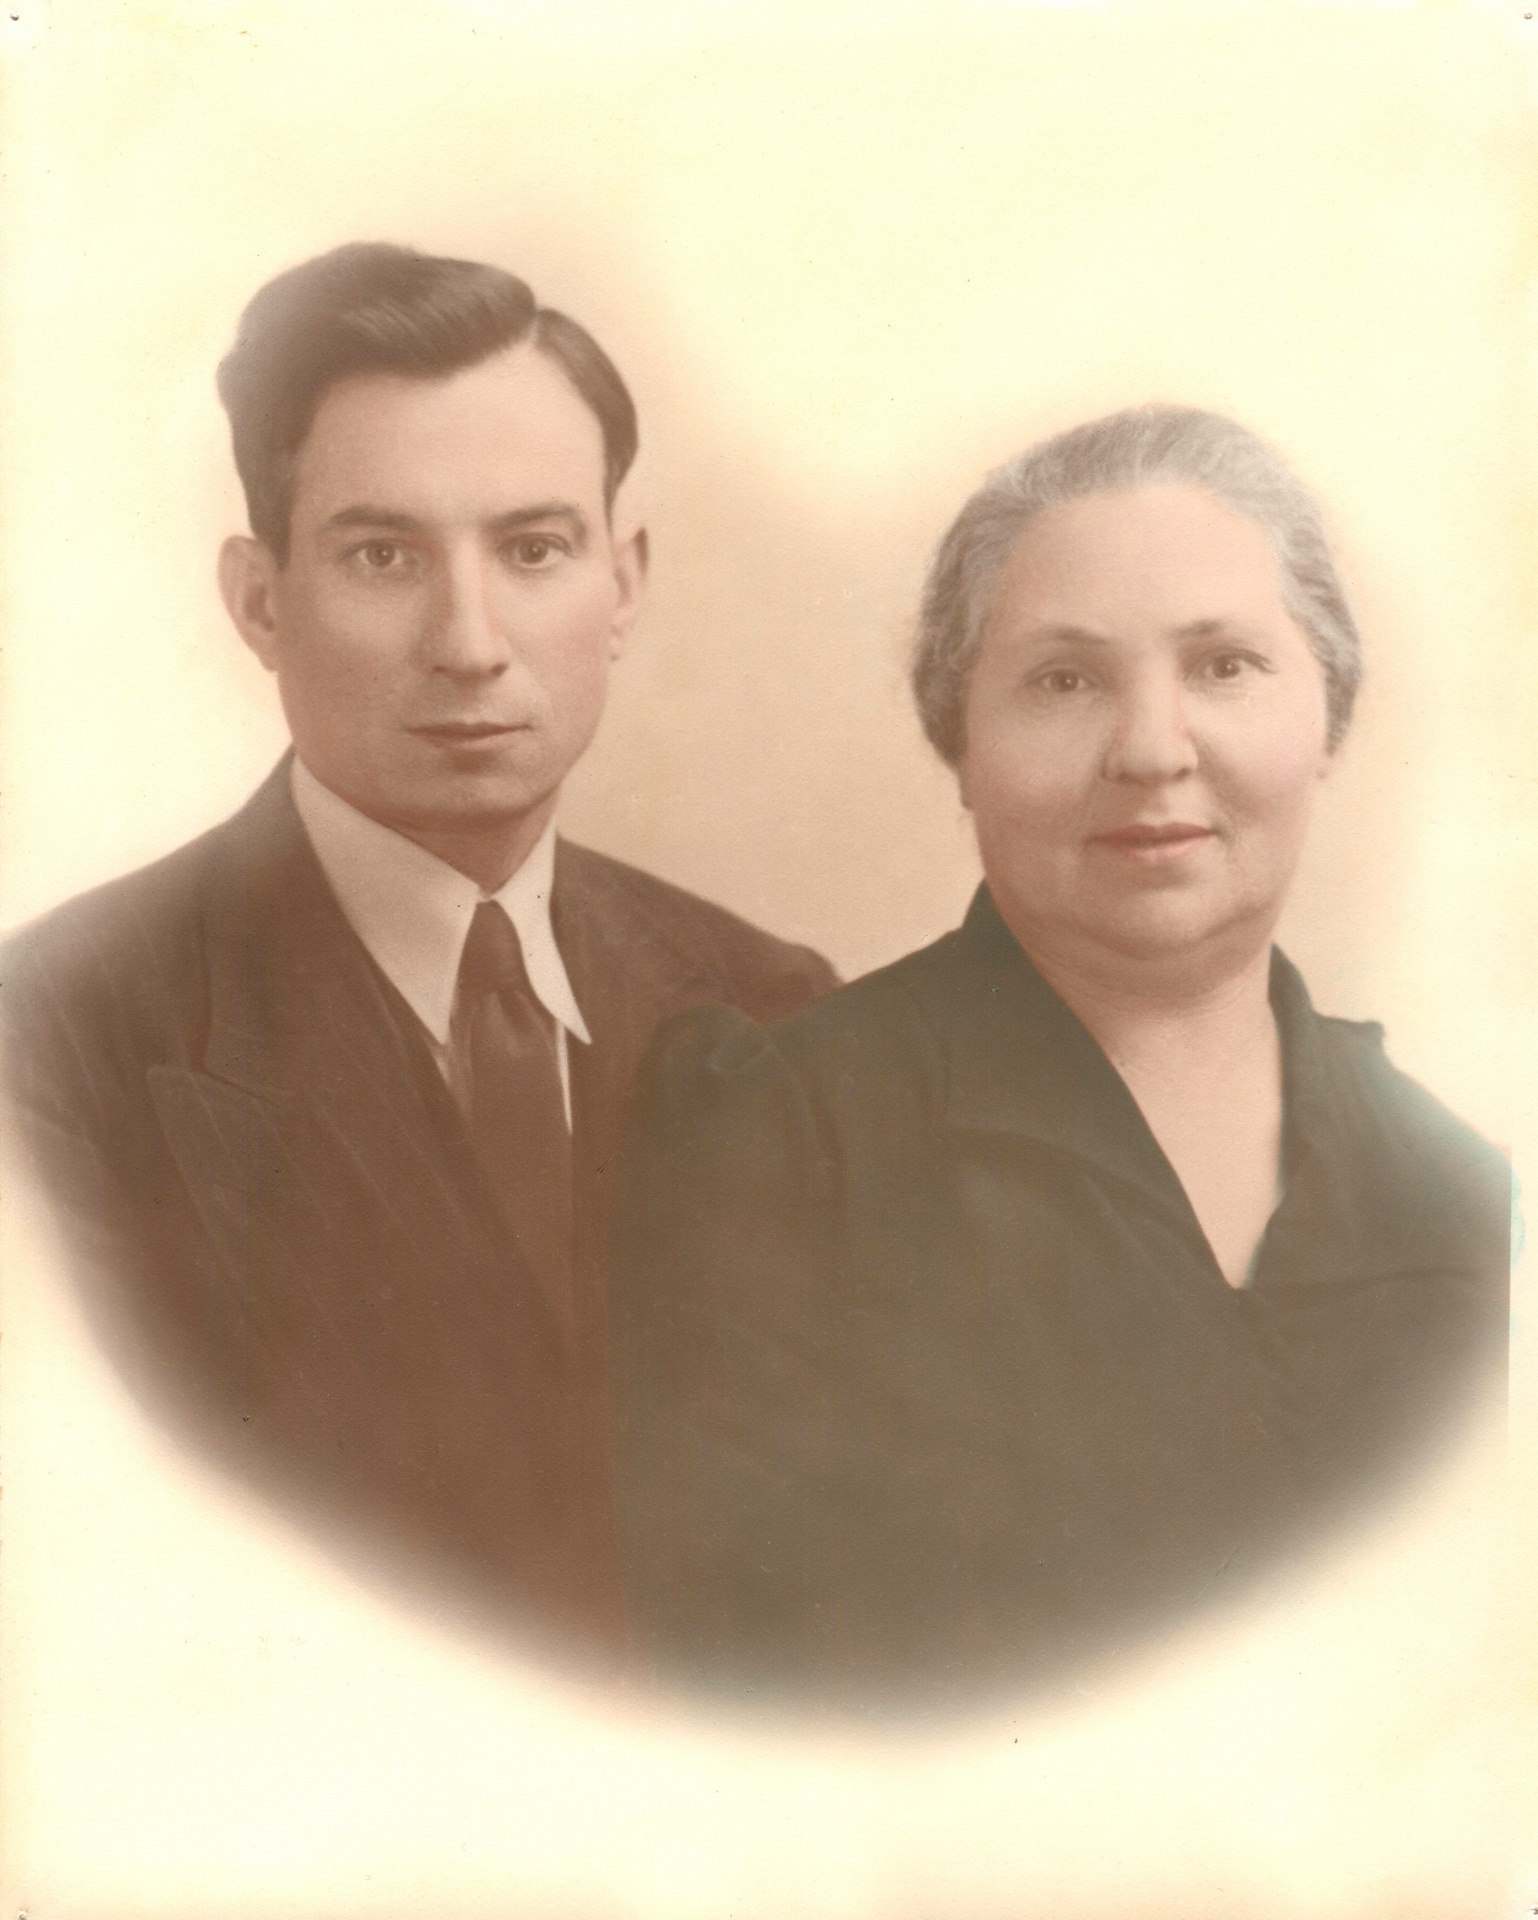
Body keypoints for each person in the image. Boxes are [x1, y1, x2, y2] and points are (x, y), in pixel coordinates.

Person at [0, 243, 836, 1664]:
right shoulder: (57, 1047)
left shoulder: (776, 1008)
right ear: (260, 601)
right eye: (382, 556)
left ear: (623, 583)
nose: (469, 642)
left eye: (534, 550)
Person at [609, 405, 1510, 1709]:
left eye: (1224, 666)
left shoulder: (1457, 1193)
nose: (1152, 750)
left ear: (1326, 721)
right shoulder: (790, 1138)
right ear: (959, 745)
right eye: (1065, 680)